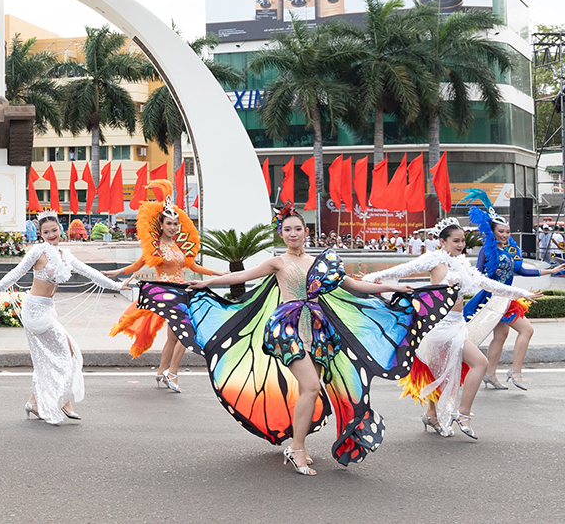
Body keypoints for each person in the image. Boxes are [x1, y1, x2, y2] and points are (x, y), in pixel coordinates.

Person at [129, 202, 456, 474]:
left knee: (308, 390)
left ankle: (295, 441)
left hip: (315, 329)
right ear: (282, 234)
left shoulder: (319, 264)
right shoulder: (277, 261)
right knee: (312, 387)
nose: (293, 234)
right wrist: (205, 284)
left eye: (298, 229)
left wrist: (393, 287)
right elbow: (241, 275)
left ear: (305, 232)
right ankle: (297, 449)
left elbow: (354, 287)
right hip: (286, 329)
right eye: (287, 230)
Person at [362, 218, 540, 438]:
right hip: (439, 325)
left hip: (458, 324)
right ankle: (463, 414)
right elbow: (401, 269)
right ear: (442, 241)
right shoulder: (434, 260)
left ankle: (431, 415)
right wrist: (369, 282)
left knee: (444, 372)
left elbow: (487, 283)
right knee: (479, 363)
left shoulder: (461, 264)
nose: (460, 245)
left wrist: (521, 293)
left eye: (463, 241)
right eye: (455, 241)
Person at [0, 210, 126, 424]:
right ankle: (64, 401)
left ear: (60, 229)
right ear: (40, 234)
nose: (51, 235)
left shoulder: (65, 255)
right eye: (46, 232)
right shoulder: (37, 252)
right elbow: (15, 274)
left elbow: (90, 272)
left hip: (48, 309)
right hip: (35, 310)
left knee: (46, 358)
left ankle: (32, 402)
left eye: (54, 230)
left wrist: (118, 285)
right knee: (67, 353)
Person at [103, 180, 224, 392]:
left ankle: (161, 372)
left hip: (183, 292)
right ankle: (173, 373)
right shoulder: (155, 247)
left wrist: (217, 273)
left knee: (174, 337)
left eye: (176, 224)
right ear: (161, 225)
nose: (173, 228)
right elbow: (138, 264)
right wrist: (119, 272)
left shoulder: (178, 246)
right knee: (187, 334)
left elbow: (192, 265)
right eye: (169, 224)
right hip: (167, 295)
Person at [460, 190, 565, 391]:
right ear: (492, 232)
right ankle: (515, 371)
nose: (506, 235)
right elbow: (478, 276)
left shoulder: (508, 252)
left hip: (506, 299)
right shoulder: (487, 250)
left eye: (507, 231)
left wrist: (550, 270)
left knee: (500, 337)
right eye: (501, 232)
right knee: (527, 329)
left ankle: (490, 374)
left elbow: (522, 270)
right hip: (493, 299)